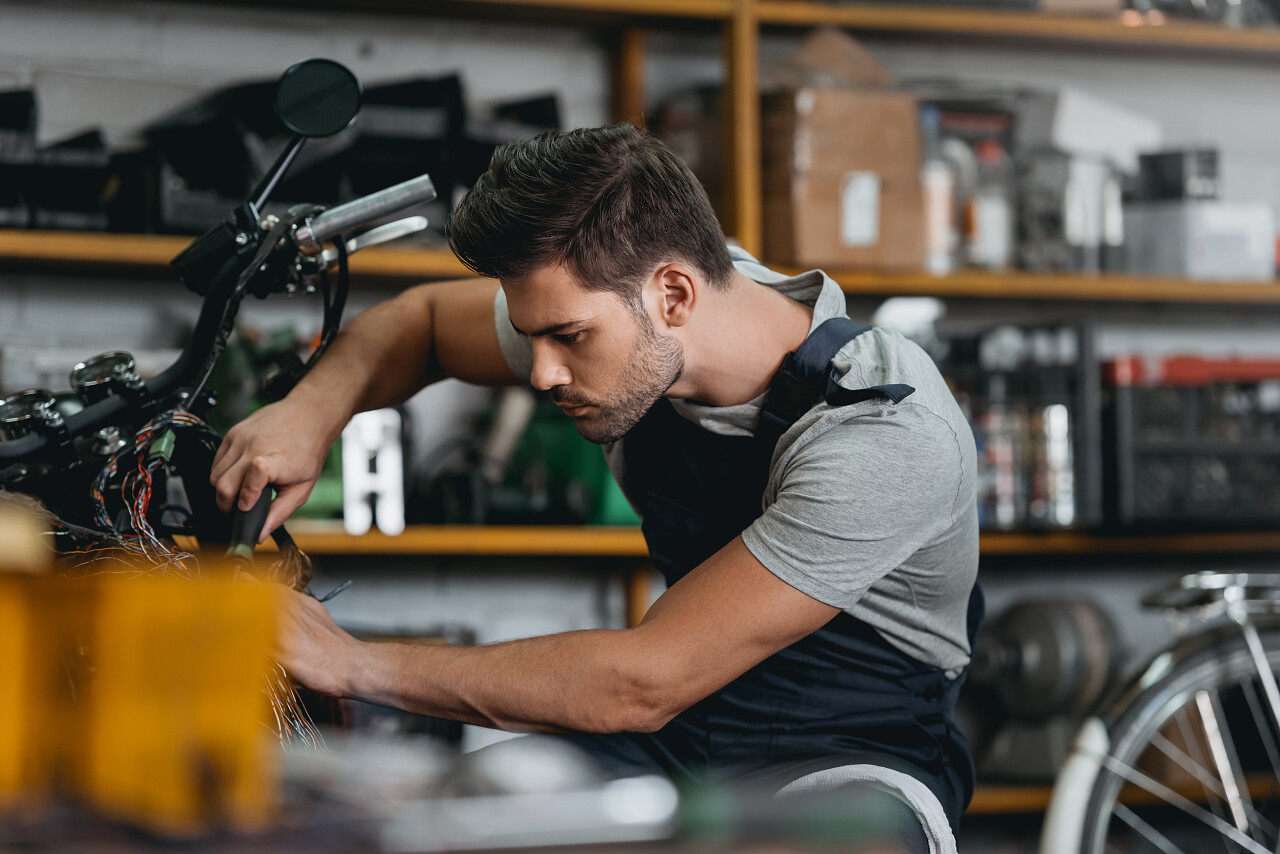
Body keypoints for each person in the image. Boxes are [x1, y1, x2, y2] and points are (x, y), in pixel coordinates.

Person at [211, 124, 981, 852]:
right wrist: (307, 414)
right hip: (673, 740)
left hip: (850, 760)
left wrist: (350, 663)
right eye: (533, 336)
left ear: (675, 295)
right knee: (464, 816)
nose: (540, 372)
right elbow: (421, 323)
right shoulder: (627, 307)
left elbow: (642, 681)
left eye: (568, 339)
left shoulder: (881, 429)